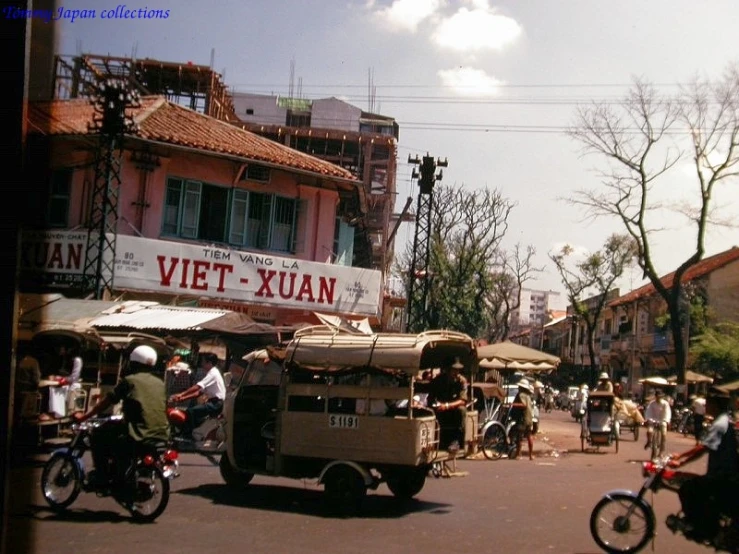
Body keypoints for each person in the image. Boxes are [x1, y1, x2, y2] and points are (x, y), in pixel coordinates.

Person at [73, 345, 170, 487]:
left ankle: (102, 476)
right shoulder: (160, 383)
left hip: (137, 431)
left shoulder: (129, 381)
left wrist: (85, 416)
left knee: (98, 435)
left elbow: (107, 402)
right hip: (162, 432)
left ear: (133, 362)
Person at [668, 388, 739, 542]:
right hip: (724, 474)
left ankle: (701, 529)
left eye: (708, 403)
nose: (705, 406)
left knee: (688, 489)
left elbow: (703, 447)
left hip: (722, 476)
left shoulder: (720, 423)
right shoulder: (724, 420)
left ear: (715, 404)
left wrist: (680, 459)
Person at [169, 352, 226, 436]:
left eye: (203, 362)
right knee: (193, 412)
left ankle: (188, 434)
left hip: (216, 404)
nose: (201, 364)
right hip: (213, 402)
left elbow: (198, 386)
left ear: (209, 363)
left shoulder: (213, 373)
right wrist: (183, 398)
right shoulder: (211, 373)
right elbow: (198, 393)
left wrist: (181, 394)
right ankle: (194, 432)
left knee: (191, 411)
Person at [427, 357, 468, 450]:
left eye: (458, 370)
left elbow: (463, 400)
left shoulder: (461, 381)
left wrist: (447, 406)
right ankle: (434, 439)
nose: (456, 373)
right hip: (440, 406)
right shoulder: (438, 380)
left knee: (461, 410)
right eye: (454, 370)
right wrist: (435, 404)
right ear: (447, 370)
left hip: (454, 407)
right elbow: (431, 397)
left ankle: (456, 441)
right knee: (428, 411)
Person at [510, 378, 535, 460]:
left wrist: (513, 404)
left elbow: (523, 405)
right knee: (529, 436)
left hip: (522, 418)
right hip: (529, 419)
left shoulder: (521, 394)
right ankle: (531, 455)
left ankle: (518, 454)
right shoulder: (528, 395)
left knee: (519, 437)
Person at [644, 388, 672, 455]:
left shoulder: (665, 404)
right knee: (649, 431)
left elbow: (667, 413)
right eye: (657, 396)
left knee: (663, 434)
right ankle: (649, 441)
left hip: (662, 420)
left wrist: (667, 421)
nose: (658, 397)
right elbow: (648, 412)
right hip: (653, 420)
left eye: (659, 396)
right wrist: (648, 419)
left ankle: (661, 451)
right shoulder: (652, 404)